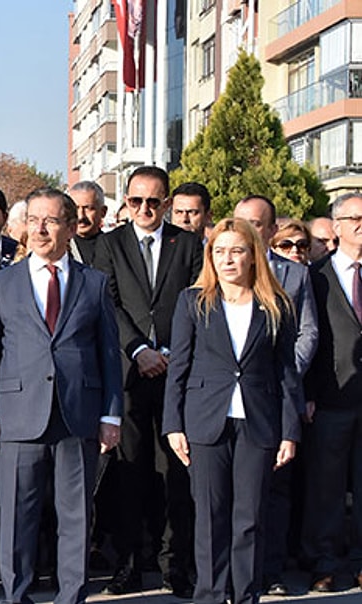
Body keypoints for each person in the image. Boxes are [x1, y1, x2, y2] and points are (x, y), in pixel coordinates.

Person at [0, 188, 122, 604]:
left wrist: (111, 415)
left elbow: (109, 354)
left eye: (51, 221)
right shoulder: (1, 283)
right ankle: (16, 595)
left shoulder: (94, 283)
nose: (40, 229)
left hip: (79, 414)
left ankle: (71, 596)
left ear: (71, 228)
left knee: (76, 516)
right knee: (17, 516)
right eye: (33, 220)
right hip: (19, 415)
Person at [163, 217, 301, 604]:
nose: (227, 259)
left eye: (237, 251)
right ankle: (210, 595)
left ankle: (245, 596)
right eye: (219, 251)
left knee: (250, 518)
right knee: (210, 517)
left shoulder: (275, 305)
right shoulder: (193, 301)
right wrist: (174, 424)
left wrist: (289, 431)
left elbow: (286, 372)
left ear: (253, 256)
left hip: (258, 422)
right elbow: (179, 367)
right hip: (205, 421)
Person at [92, 165, 203, 597]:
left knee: (176, 473)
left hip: (177, 372)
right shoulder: (110, 243)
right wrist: (139, 349)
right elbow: (108, 302)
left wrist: (172, 352)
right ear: (126, 201)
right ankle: (129, 565)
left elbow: (197, 299)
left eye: (153, 201)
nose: (144, 209)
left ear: (167, 203)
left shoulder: (187, 243)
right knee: (130, 474)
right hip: (129, 373)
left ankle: (176, 566)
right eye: (136, 201)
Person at [231, 195, 318, 595]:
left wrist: (281, 373)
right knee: (232, 492)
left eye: (255, 223)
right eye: (240, 221)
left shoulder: (294, 275)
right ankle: (231, 574)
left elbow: (307, 332)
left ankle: (270, 570)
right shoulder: (220, 268)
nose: (246, 230)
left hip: (277, 394)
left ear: (270, 230)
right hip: (229, 397)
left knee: (276, 488)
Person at [301, 192, 362, 593]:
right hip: (329, 395)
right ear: (337, 226)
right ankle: (323, 561)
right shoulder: (315, 276)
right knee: (326, 486)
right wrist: (307, 392)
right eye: (355, 218)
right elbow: (307, 336)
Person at [67, 180, 107, 264]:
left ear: (103, 212)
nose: (81, 216)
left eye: (88, 208)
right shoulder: (59, 248)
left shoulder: (114, 247)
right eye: (76, 208)